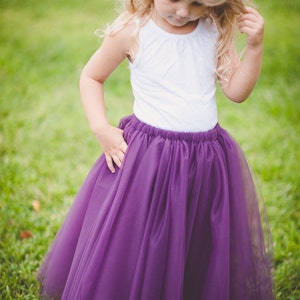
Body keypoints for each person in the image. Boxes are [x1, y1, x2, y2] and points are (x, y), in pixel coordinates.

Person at [38, 0, 274, 299]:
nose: (184, 12)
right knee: (141, 239)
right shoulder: (133, 29)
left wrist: (254, 47)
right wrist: (101, 128)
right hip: (149, 160)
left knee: (196, 236)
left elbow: (237, 92)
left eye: (198, 3)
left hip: (204, 161)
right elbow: (91, 76)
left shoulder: (214, 29)